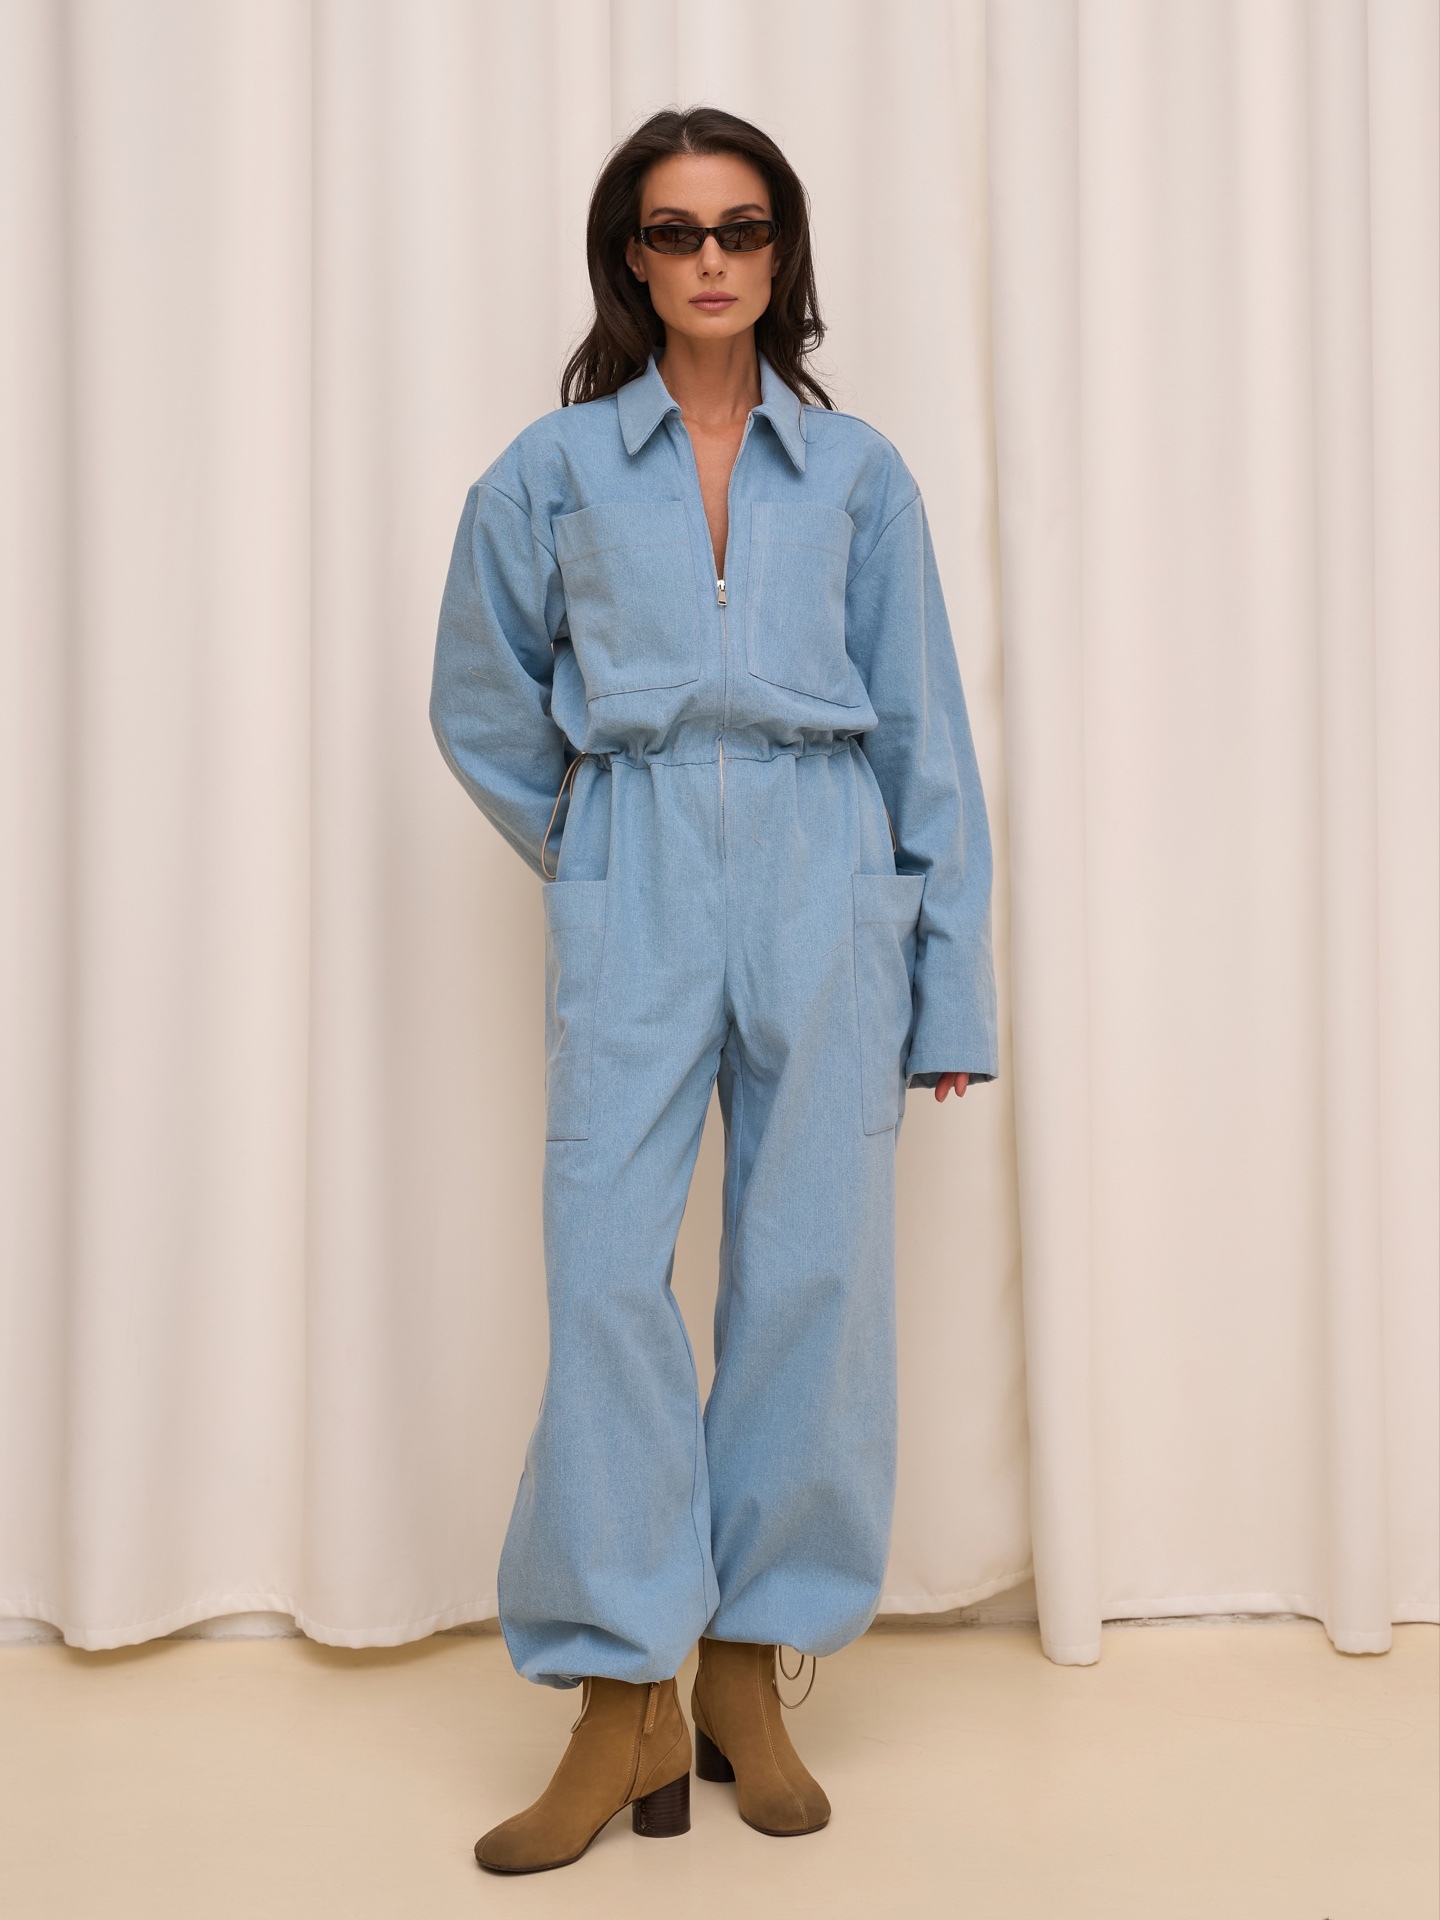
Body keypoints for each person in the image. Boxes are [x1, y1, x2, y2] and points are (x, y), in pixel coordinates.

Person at [431, 105, 997, 1875]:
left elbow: (923, 732)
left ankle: (750, 1664)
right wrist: (591, 839)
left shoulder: (861, 475)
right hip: (642, 870)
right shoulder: (550, 470)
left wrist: (950, 987)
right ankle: (623, 1695)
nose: (710, 260)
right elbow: (480, 697)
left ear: (781, 250)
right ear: (632, 254)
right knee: (607, 1271)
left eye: (740, 228)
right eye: (675, 232)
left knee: (813, 1276)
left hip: (829, 875)